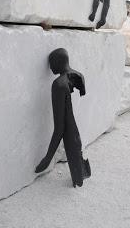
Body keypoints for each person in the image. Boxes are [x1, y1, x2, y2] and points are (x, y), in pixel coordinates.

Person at [35, 48, 91, 187]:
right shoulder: (79, 76)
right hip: (72, 125)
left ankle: (79, 176)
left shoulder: (58, 84)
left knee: (74, 146)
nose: (50, 67)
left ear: (58, 62)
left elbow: (59, 128)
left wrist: (48, 158)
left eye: (51, 63)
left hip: (69, 127)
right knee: (76, 145)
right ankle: (80, 174)